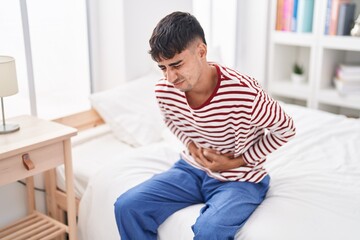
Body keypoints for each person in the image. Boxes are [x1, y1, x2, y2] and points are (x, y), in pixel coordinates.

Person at [114, 11, 296, 239]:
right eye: (163, 68)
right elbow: (171, 121)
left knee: (209, 229)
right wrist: (191, 146)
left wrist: (236, 162)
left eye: (177, 65)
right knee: (127, 206)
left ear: (201, 51)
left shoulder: (244, 92)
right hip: (191, 170)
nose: (170, 77)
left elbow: (286, 129)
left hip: (241, 178)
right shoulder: (165, 91)